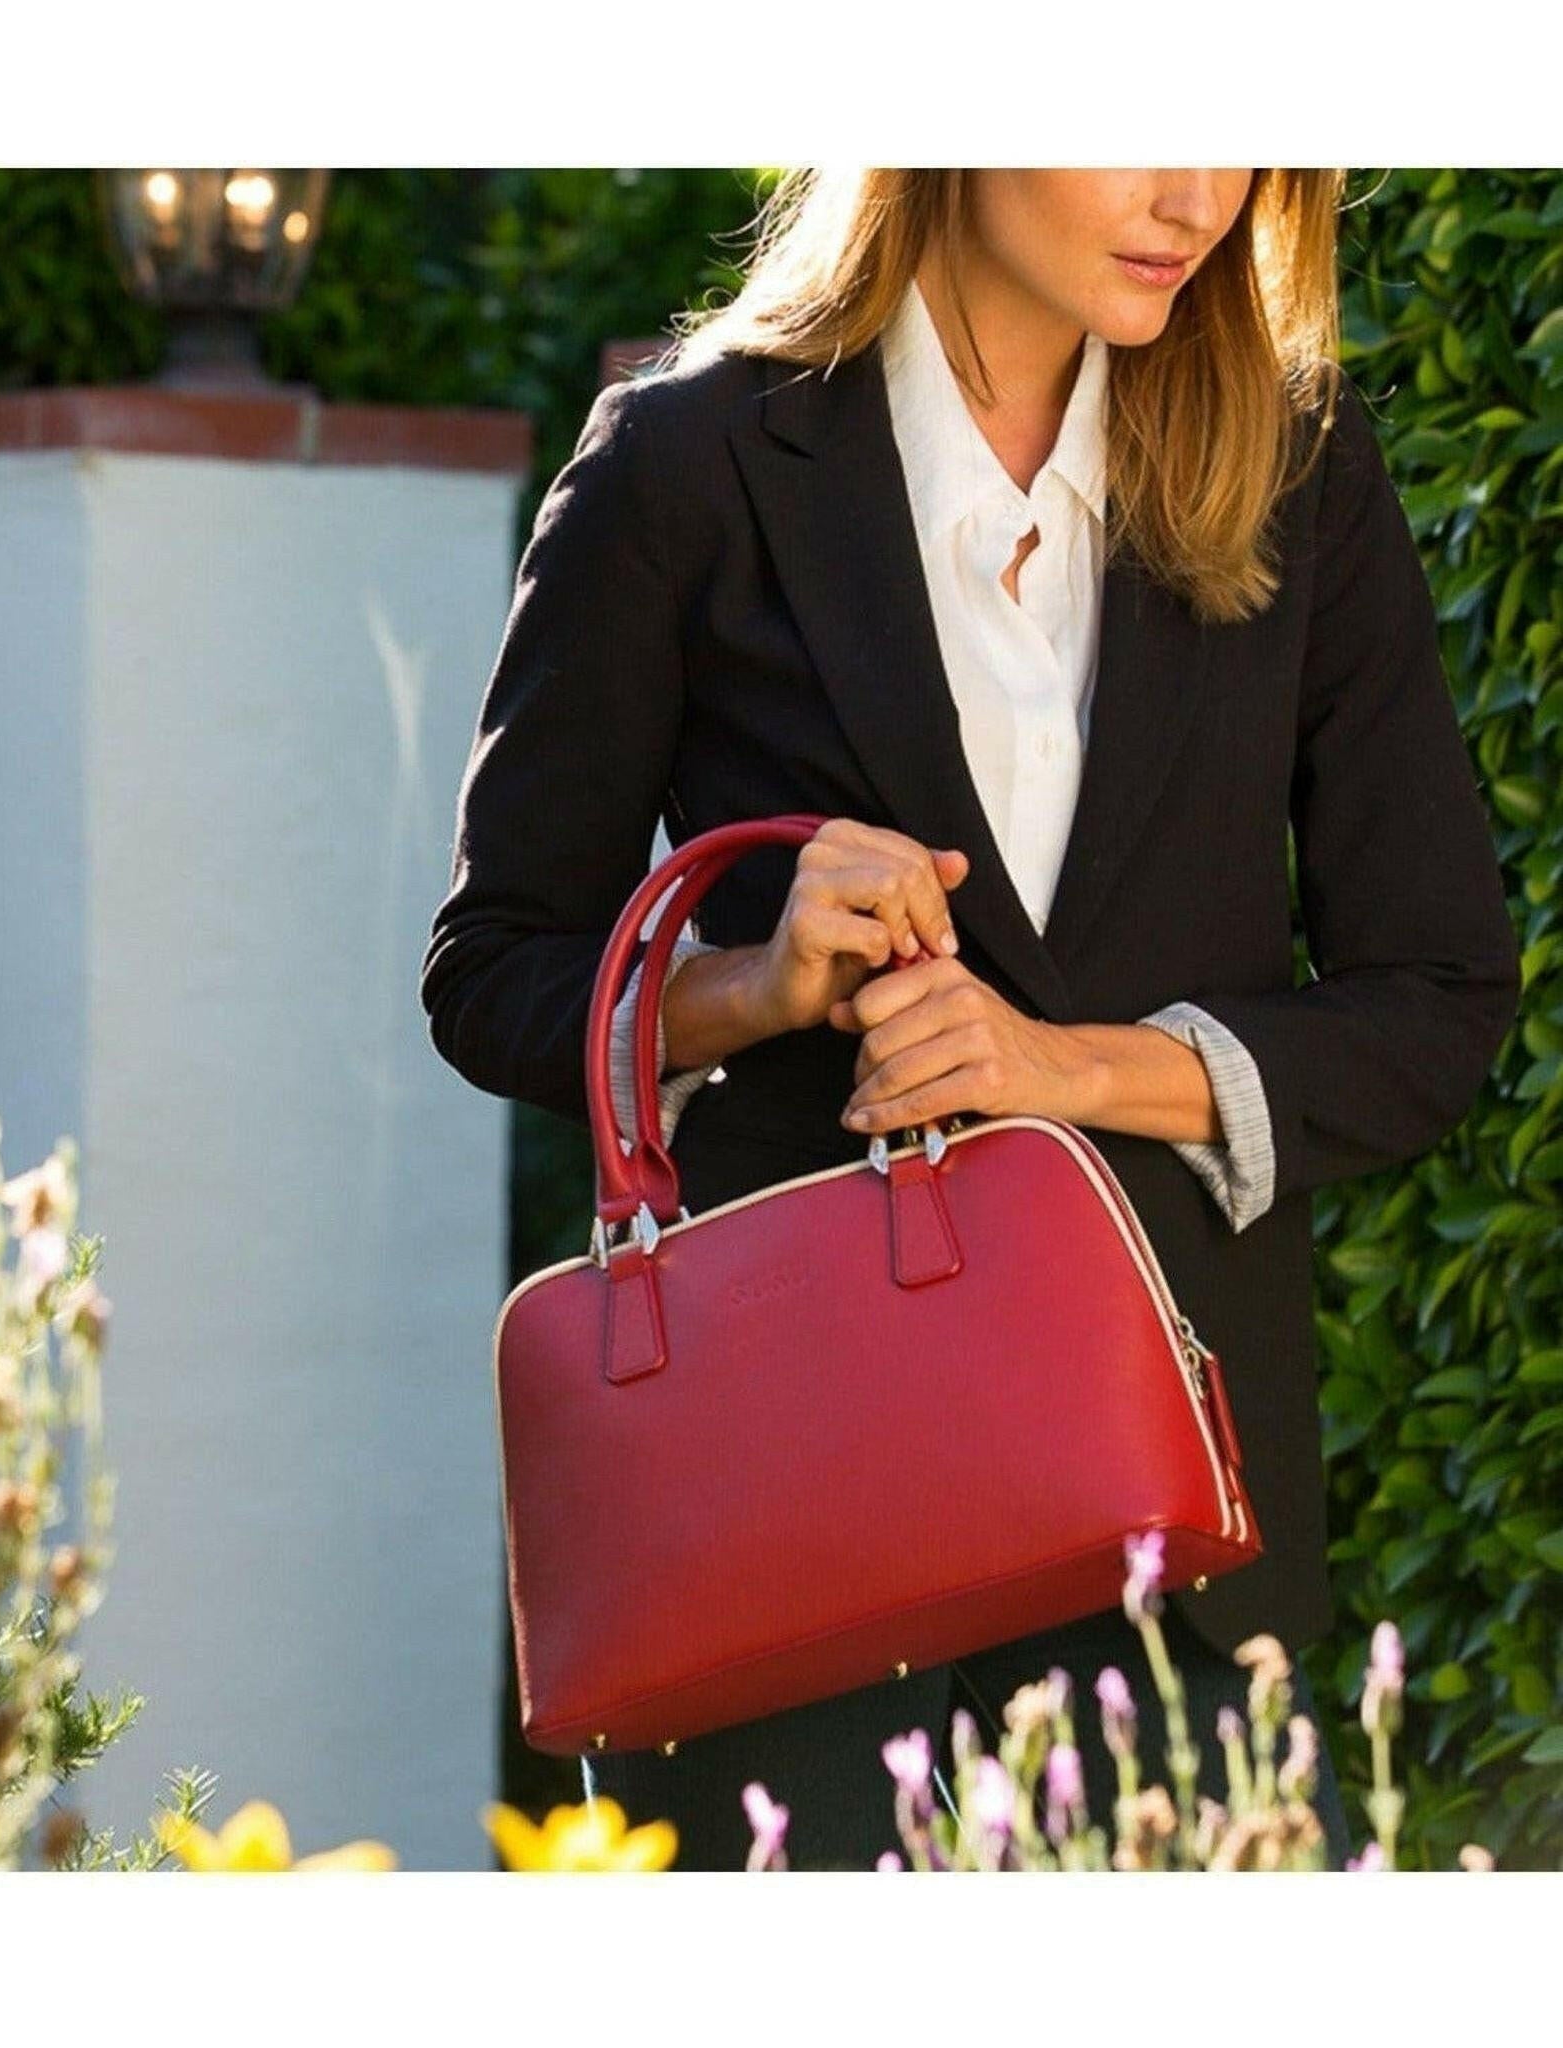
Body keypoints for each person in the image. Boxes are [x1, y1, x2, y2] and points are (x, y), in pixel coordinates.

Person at [418, 170, 1521, 1869]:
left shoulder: (1298, 463)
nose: (1195, 193)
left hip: (1177, 1546)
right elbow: (494, 968)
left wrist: (1060, 1070)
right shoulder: (684, 460)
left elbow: (1436, 1003)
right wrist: (753, 985)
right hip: (788, 1540)